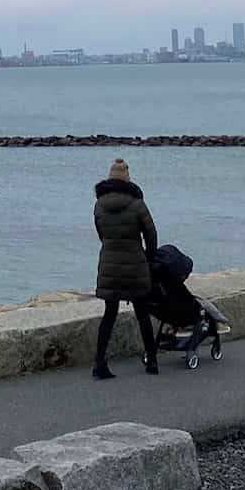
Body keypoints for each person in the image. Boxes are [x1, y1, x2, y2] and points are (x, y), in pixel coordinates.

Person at [92, 158, 160, 379]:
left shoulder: (99, 205)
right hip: (134, 264)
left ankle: (99, 363)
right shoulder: (137, 204)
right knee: (142, 314)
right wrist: (149, 256)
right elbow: (151, 234)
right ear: (127, 179)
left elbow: (101, 234)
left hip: (109, 264)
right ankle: (152, 361)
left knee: (109, 315)